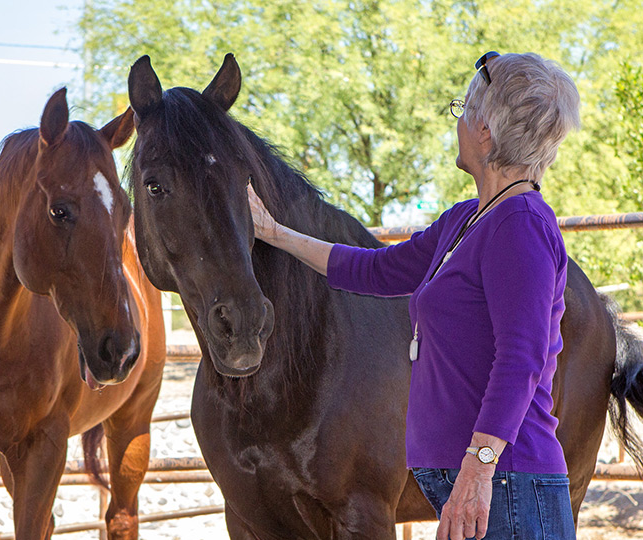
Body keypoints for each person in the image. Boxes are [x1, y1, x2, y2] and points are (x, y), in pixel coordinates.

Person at [247, 51, 580, 540]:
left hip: (507, 484)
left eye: (461, 110)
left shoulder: (521, 226)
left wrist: (478, 470)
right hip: (472, 484)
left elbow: (522, 359)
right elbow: (377, 269)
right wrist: (277, 233)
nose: (457, 123)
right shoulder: (467, 219)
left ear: (485, 128)